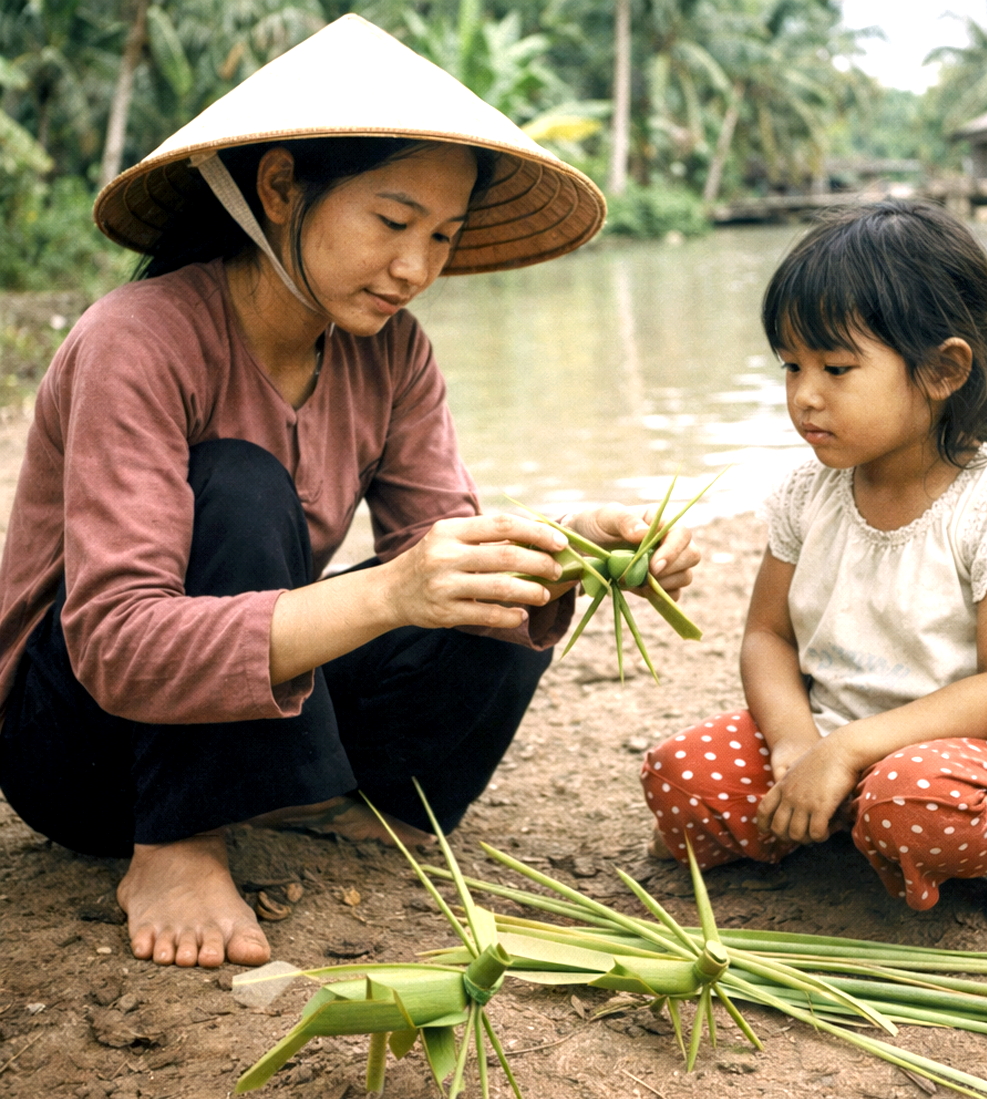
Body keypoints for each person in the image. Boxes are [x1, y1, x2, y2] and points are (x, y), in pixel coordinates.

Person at [0, 16, 699, 970]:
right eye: (392, 221)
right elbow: (118, 644)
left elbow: (439, 546)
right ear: (283, 187)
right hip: (80, 742)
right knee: (240, 485)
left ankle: (347, 806)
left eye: (443, 236)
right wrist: (386, 592)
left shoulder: (395, 351)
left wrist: (569, 546)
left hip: (241, 700)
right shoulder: (140, 339)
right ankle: (178, 843)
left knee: (491, 572)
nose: (417, 268)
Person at [641, 199, 987, 954]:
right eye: (791, 366)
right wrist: (795, 746)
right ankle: (837, 817)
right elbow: (766, 634)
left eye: (836, 369)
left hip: (975, 757)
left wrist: (850, 751)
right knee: (680, 777)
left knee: (911, 803)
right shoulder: (807, 492)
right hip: (830, 738)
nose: (803, 395)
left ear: (944, 369)